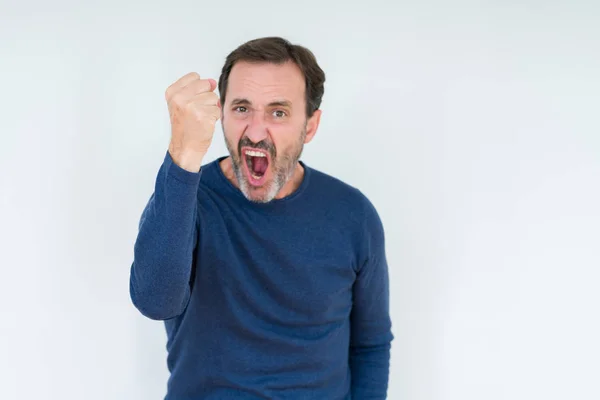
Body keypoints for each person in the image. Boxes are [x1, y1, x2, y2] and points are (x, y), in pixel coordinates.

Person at [129, 36, 394, 399]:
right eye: (241, 108)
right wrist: (183, 152)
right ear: (220, 114)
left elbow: (370, 345)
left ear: (311, 125)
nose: (255, 131)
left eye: (278, 112)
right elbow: (154, 300)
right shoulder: (186, 197)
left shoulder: (353, 215)